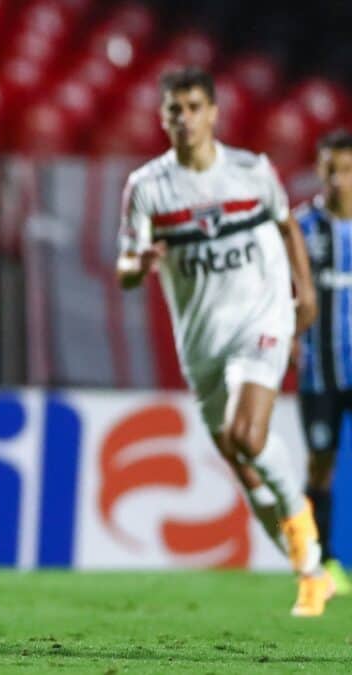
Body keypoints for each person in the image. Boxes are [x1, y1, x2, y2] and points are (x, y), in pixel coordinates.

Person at [115, 66, 329, 617]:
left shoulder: (251, 172)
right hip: (202, 342)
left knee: (246, 433)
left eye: (192, 107)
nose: (183, 118)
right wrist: (140, 263)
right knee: (241, 461)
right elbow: (125, 268)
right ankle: (306, 566)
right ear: (162, 119)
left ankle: (305, 536)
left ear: (213, 112)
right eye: (173, 110)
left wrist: (303, 292)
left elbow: (287, 227)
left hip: (261, 318)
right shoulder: (148, 188)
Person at [293, 128, 352, 597]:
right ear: (318, 169)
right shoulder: (301, 228)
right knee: (319, 464)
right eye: (330, 168)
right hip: (318, 372)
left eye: (347, 170)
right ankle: (321, 565)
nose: (338, 179)